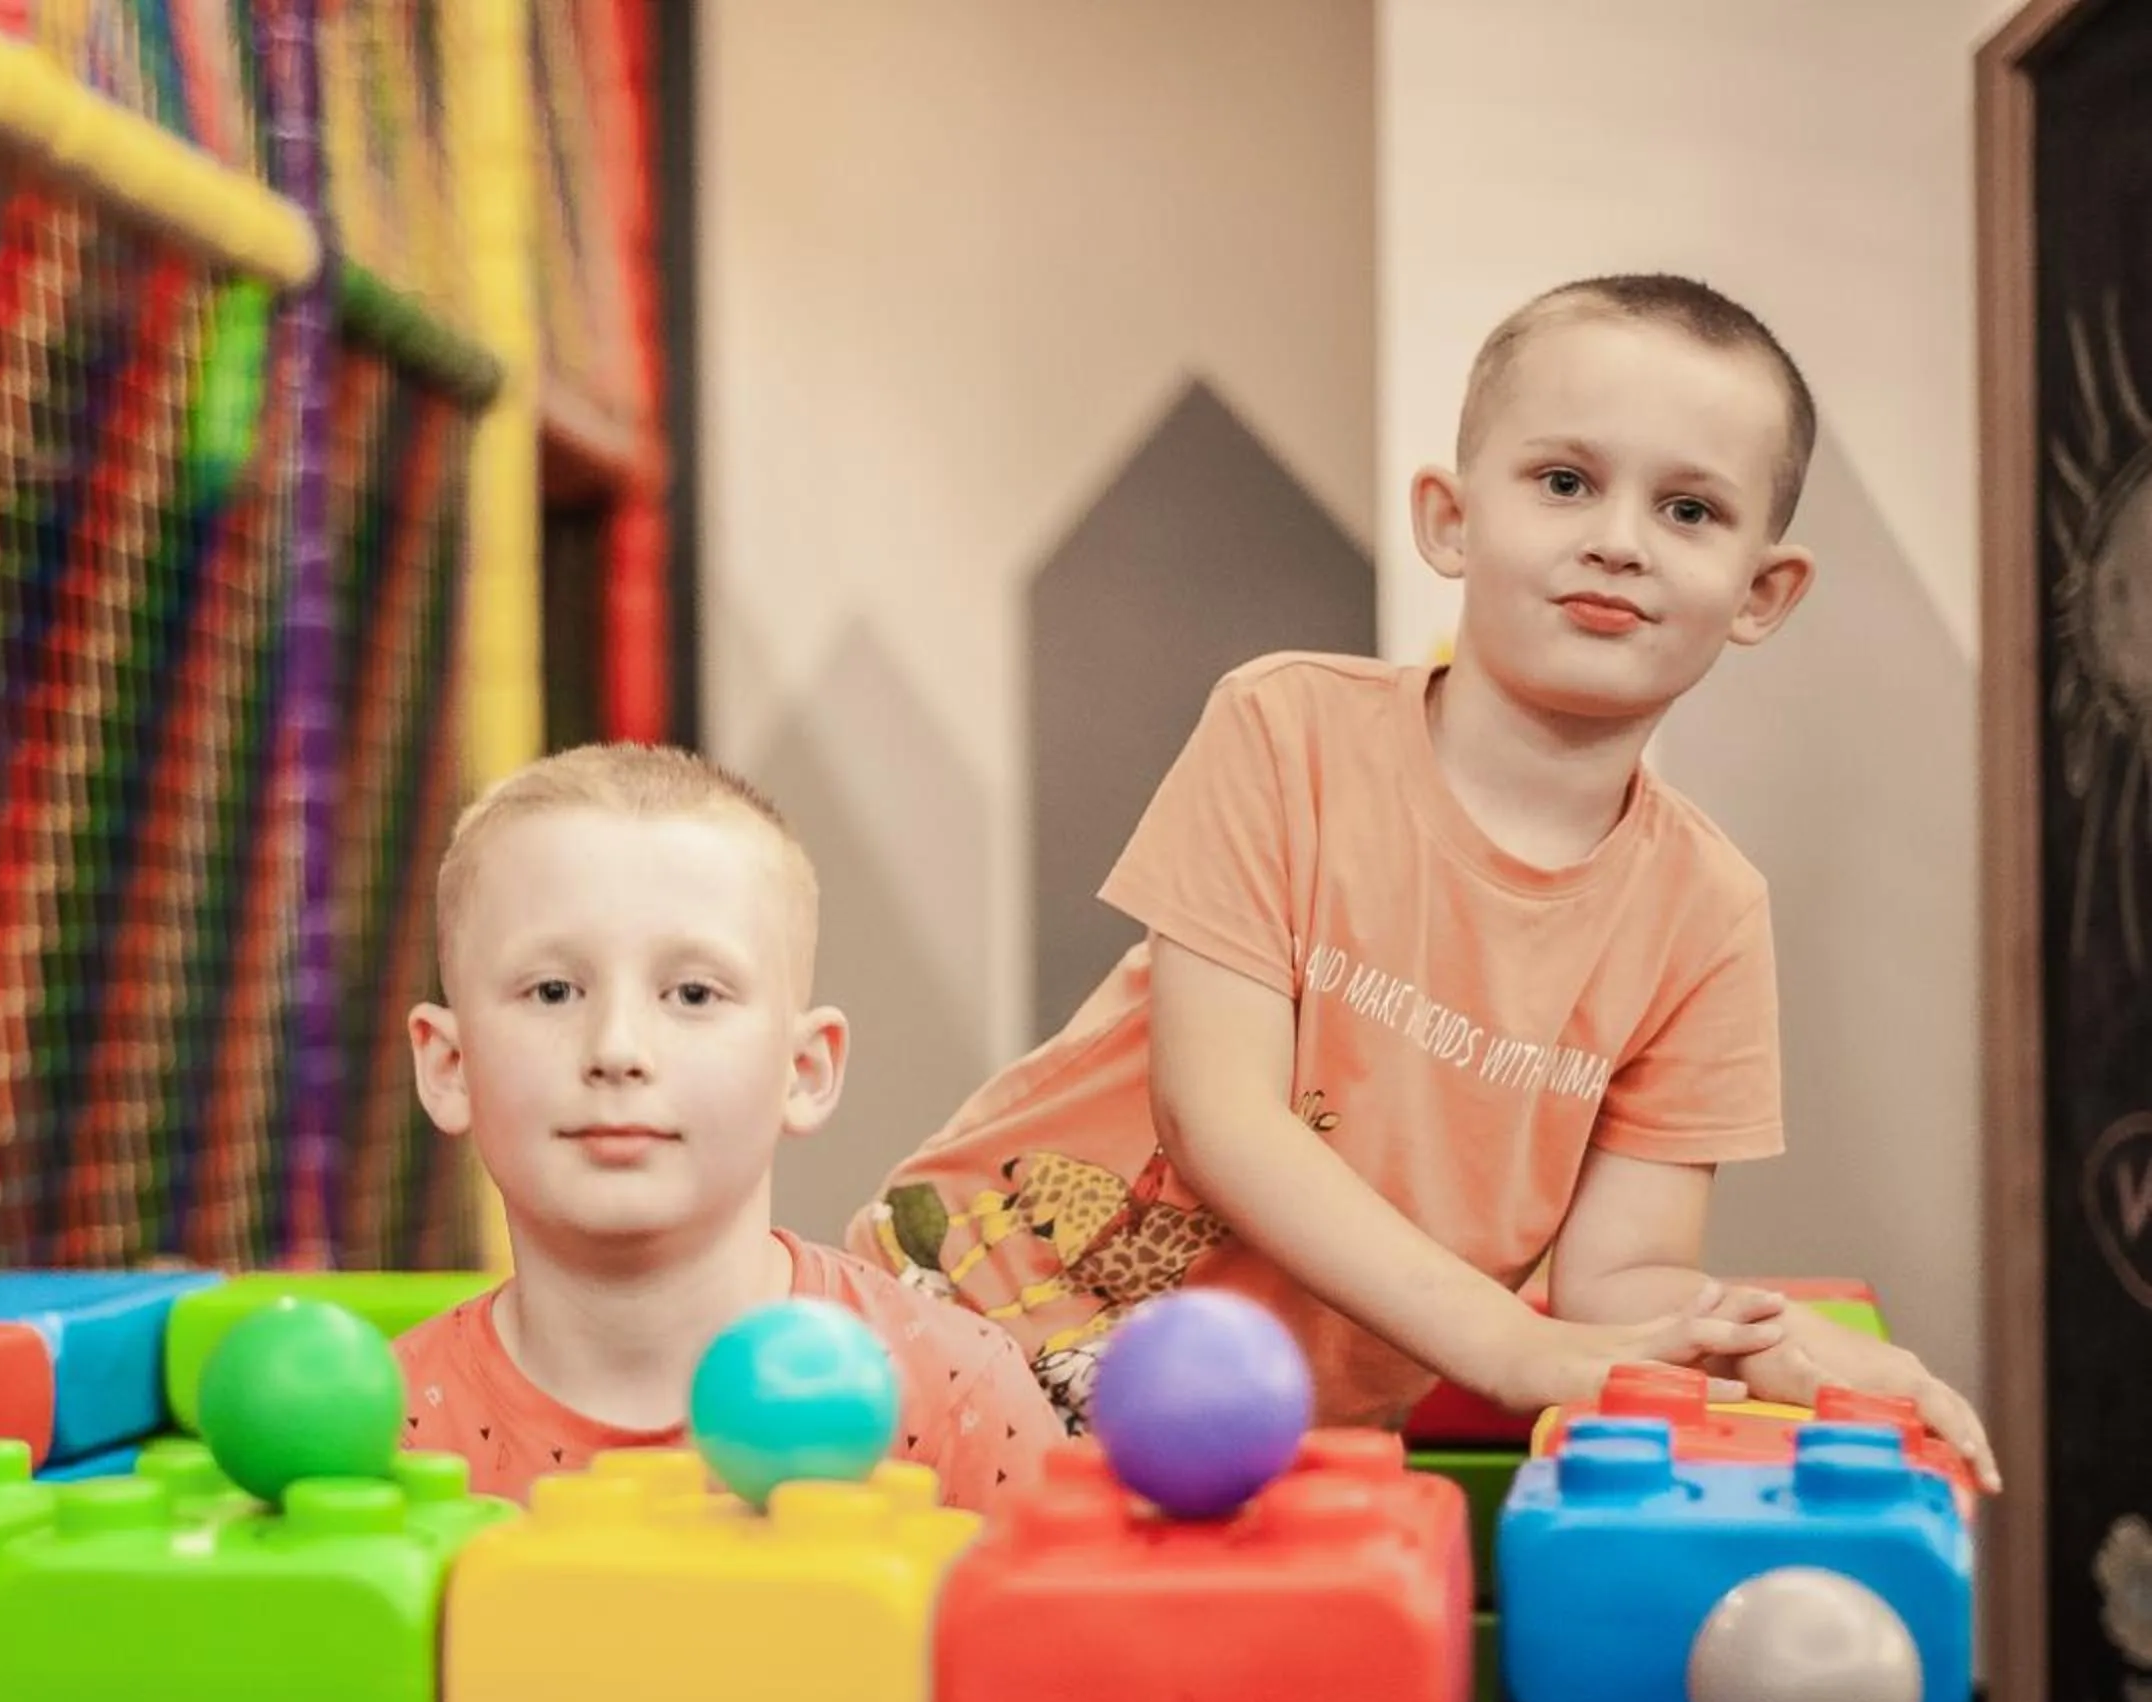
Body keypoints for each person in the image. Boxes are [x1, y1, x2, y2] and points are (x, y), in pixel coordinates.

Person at [848, 273, 2000, 1491]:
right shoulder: (1287, 730)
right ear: (1452, 520)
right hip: (965, 1329)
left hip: (1249, 1455)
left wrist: (1785, 1349)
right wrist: (1511, 1345)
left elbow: (1625, 1284)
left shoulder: (1707, 917)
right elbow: (1219, 1116)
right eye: (1565, 482)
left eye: (1689, 509)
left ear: (1763, 591)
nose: (1619, 536)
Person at [392, 742, 1065, 1512]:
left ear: (804, 1071)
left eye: (692, 994)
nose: (616, 1049)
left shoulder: (953, 1399)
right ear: (448, 1067)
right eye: (552, 991)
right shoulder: (381, 1438)